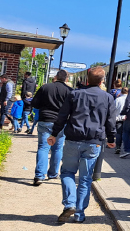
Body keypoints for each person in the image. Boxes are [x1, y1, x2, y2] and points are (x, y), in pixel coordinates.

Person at [49, 67, 116, 224]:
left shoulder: (75, 94)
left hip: (73, 139)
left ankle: (69, 203)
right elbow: (110, 121)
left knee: (67, 173)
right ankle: (79, 214)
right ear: (102, 81)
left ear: (87, 79)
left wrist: (54, 134)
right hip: (94, 142)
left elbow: (62, 117)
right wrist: (112, 138)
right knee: (85, 179)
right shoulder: (107, 98)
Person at [31, 70, 72, 186]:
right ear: (66, 79)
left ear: (56, 77)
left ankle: (39, 175)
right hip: (61, 123)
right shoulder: (69, 91)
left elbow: (35, 103)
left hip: (45, 120)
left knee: (43, 148)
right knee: (57, 149)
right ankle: (53, 173)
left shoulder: (45, 88)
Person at [114, 87, 128, 154]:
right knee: (126, 133)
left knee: (119, 133)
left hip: (118, 118)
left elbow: (113, 108)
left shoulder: (118, 99)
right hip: (127, 118)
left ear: (121, 92)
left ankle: (118, 147)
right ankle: (126, 148)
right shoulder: (129, 99)